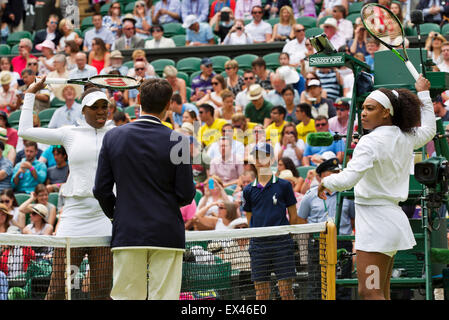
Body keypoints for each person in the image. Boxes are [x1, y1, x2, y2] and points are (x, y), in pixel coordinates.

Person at [317, 75, 436, 300]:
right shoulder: (405, 136)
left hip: (376, 225)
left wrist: (325, 182)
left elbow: (347, 180)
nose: (363, 113)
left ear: (386, 112)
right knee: (381, 292)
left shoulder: (369, 141)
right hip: (388, 221)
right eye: (363, 108)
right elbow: (429, 129)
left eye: (370, 108)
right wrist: (423, 93)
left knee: (369, 292)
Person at [93, 78, 195, 300]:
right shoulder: (180, 140)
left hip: (128, 231)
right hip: (167, 232)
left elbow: (101, 190)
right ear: (168, 105)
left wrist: (118, 214)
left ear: (138, 100)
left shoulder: (113, 136)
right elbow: (186, 194)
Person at [19, 79, 113, 300]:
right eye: (95, 107)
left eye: (104, 107)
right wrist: (31, 93)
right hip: (74, 218)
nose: (101, 112)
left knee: (101, 292)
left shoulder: (117, 133)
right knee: (60, 290)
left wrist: (143, 92)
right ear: (84, 110)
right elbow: (24, 131)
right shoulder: (69, 133)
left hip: (104, 218)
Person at [242, 143, 299, 300]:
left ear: (272, 159)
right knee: (261, 293)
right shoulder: (248, 190)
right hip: (259, 246)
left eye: (264, 155)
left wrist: (287, 237)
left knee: (286, 291)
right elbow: (250, 219)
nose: (260, 159)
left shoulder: (284, 186)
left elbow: (293, 216)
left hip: (282, 244)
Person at [298, 157, 355, 300]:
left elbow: (353, 221)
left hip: (342, 242)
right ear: (320, 176)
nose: (336, 175)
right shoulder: (310, 196)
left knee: (342, 286)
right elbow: (301, 219)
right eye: (331, 172)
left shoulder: (347, 195)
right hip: (318, 244)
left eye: (337, 172)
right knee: (316, 285)